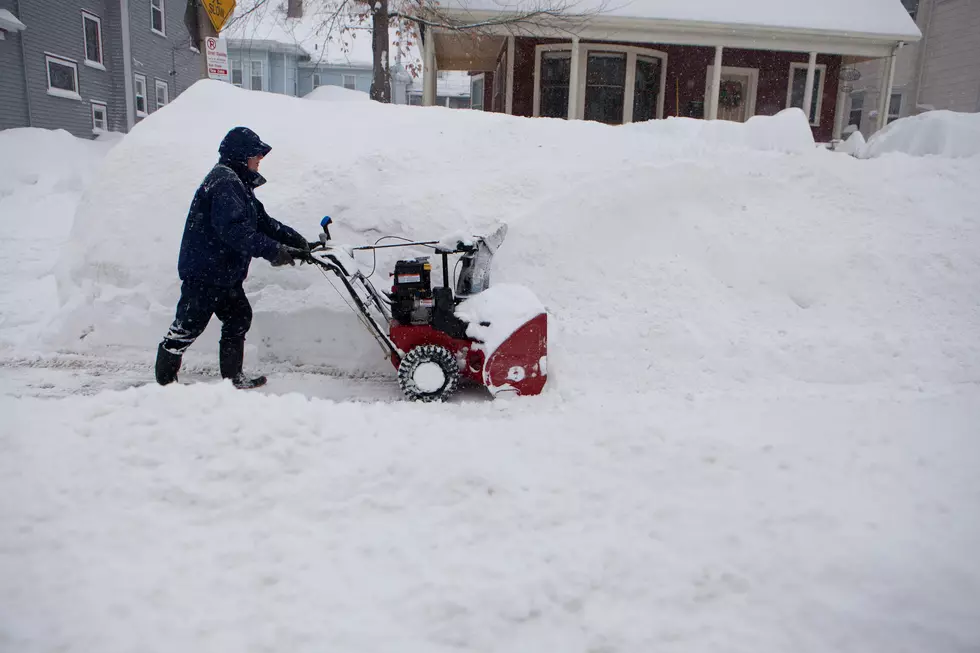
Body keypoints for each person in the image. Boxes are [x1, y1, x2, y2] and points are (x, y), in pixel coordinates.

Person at [154, 126, 310, 389]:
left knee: (238, 317)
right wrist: (274, 251)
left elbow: (262, 222)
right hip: (205, 274)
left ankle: (232, 380)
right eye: (255, 154)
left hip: (223, 274)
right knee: (187, 328)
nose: (259, 159)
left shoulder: (237, 184)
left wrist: (296, 240)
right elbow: (236, 231)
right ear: (240, 156)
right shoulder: (225, 183)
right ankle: (165, 386)